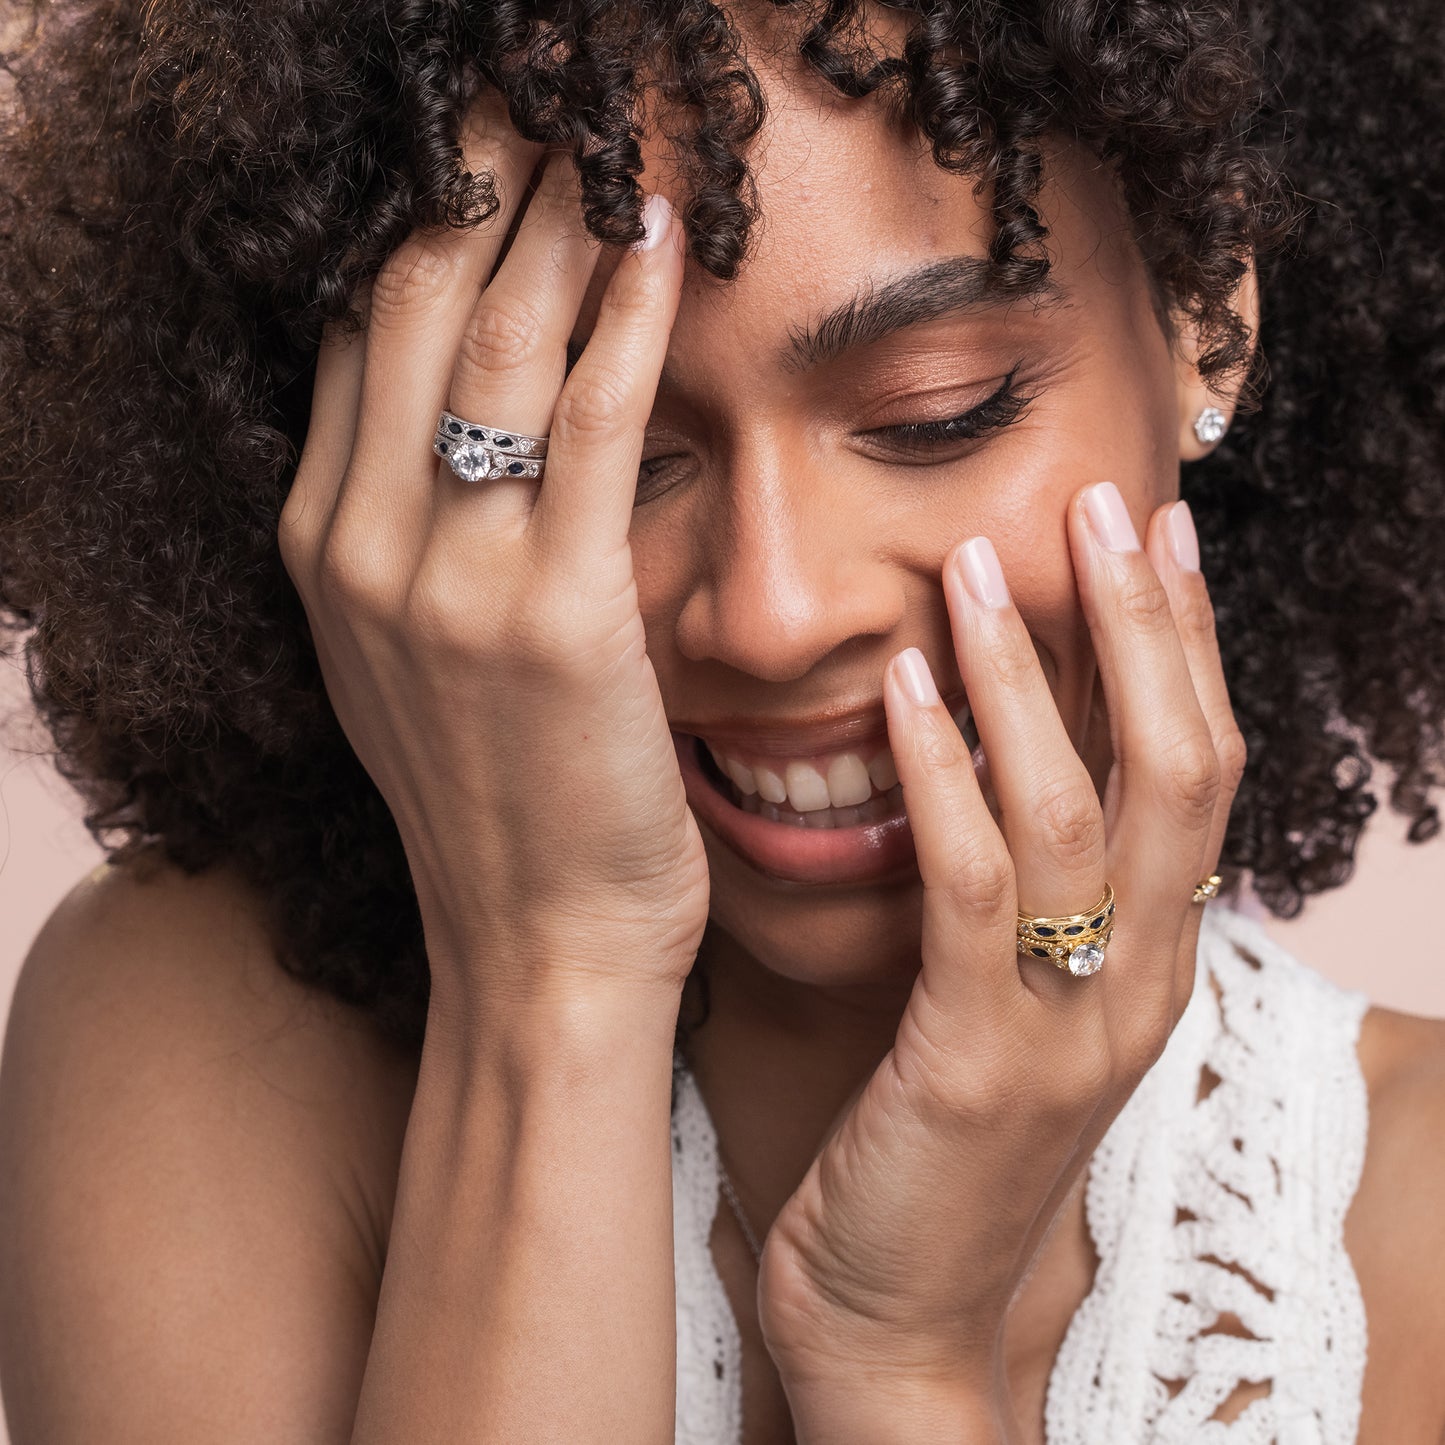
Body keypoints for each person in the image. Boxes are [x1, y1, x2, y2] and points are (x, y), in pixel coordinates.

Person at [0, 0, 1442, 1438]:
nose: (771, 612)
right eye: (602, 452)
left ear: (1206, 313)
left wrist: (896, 1357)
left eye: (935, 413)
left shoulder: (1412, 1226)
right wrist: (553, 981)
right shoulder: (202, 1043)